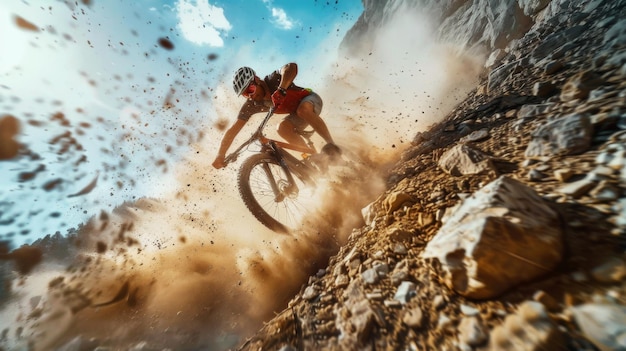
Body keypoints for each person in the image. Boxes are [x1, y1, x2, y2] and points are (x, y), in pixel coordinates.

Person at [212, 63, 340, 169]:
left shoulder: (273, 80)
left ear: (257, 80)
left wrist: (282, 88)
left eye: (250, 90)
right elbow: (233, 130)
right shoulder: (252, 104)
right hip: (296, 115)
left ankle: (332, 145)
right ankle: (314, 159)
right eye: (245, 94)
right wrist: (220, 155)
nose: (250, 96)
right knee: (282, 128)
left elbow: (291, 67)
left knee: (302, 110)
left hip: (309, 99)